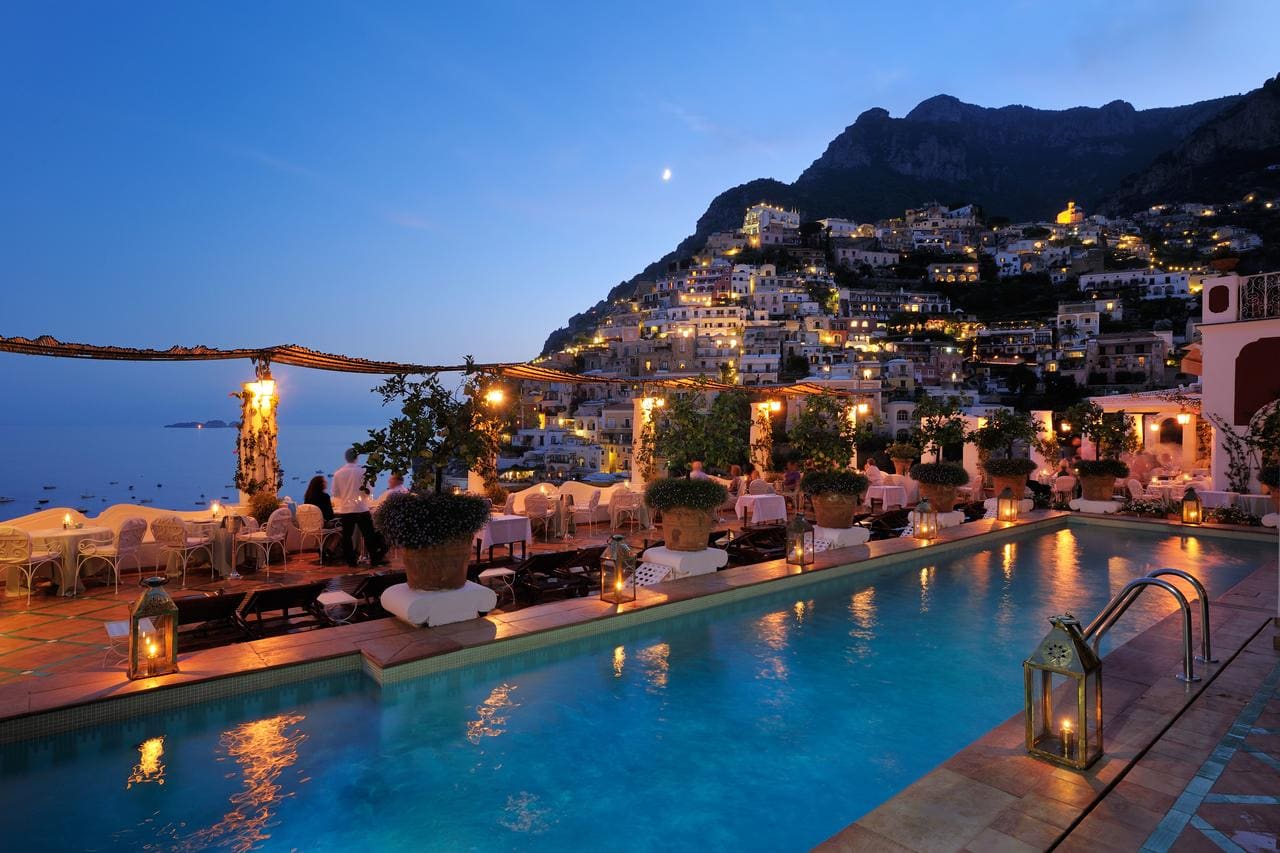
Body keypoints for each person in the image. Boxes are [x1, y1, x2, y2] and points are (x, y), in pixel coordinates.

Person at [332, 448, 387, 568]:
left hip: (346, 509)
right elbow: (368, 491)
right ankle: (374, 559)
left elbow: (336, 494)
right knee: (369, 535)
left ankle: (351, 561)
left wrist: (347, 496)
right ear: (357, 458)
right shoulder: (363, 471)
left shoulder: (338, 473)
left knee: (347, 537)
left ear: (346, 458)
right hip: (361, 508)